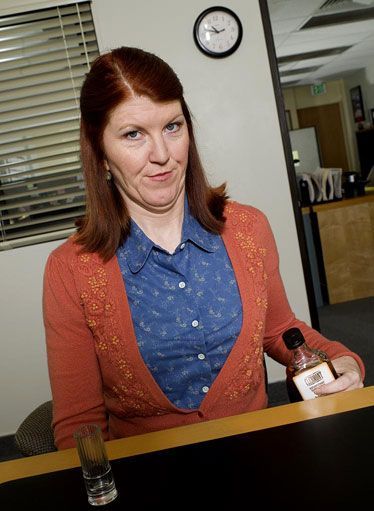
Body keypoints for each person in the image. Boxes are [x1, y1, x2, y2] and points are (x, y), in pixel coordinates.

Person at [43, 47, 364, 450]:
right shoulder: (70, 270)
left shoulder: (247, 228)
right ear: (101, 153)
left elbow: (280, 330)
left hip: (259, 456)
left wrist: (343, 359)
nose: (162, 155)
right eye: (133, 134)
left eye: (172, 127)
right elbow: (80, 425)